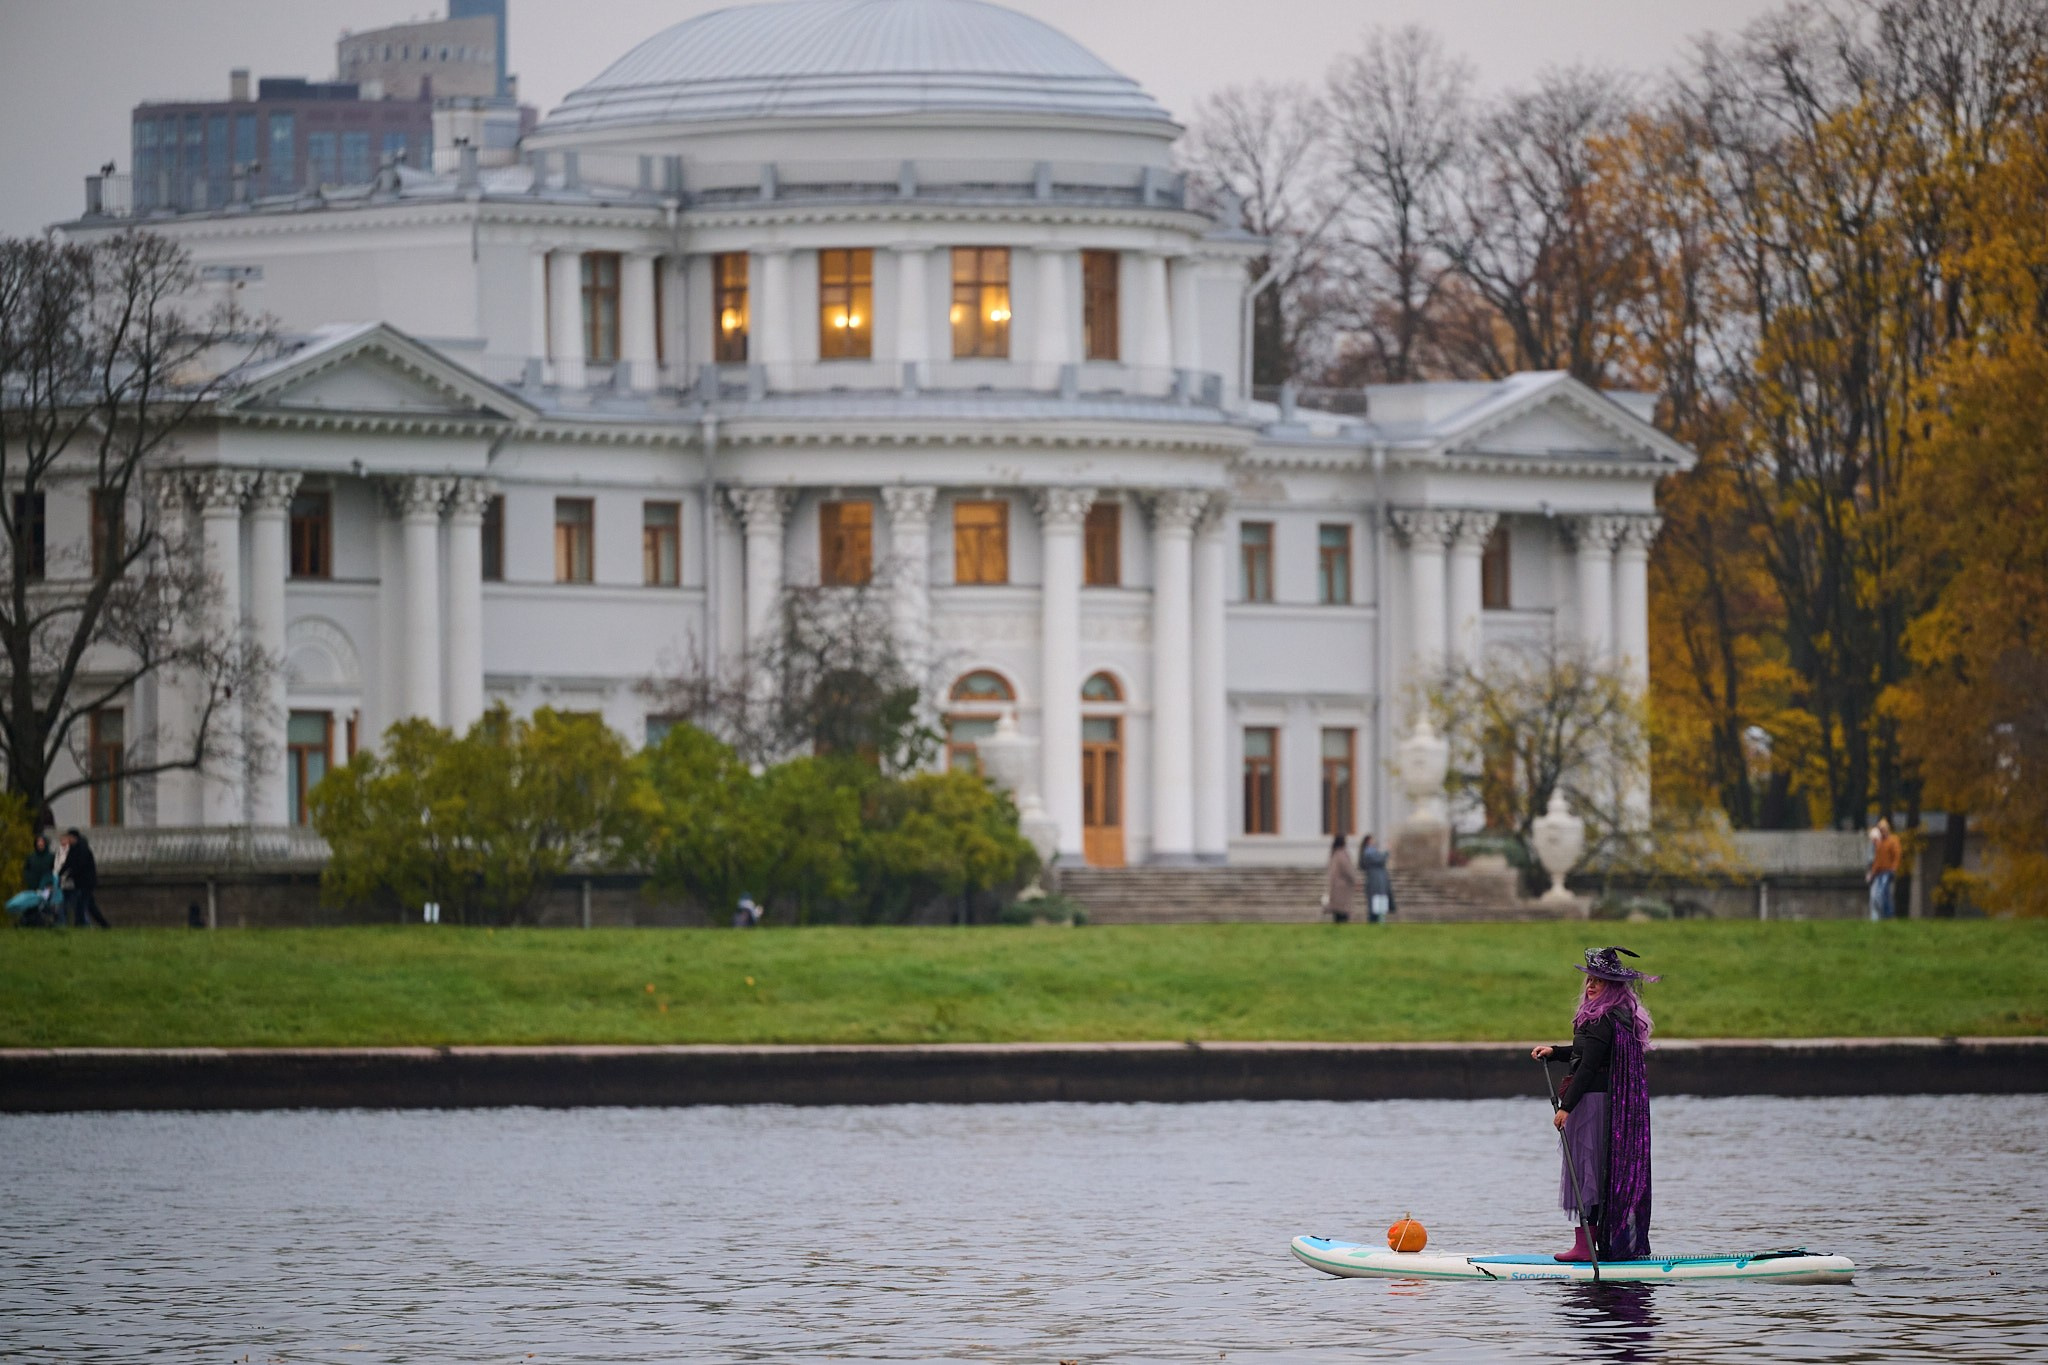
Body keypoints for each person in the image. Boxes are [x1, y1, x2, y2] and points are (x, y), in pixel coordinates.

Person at [1529, 946, 1658, 1263]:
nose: (1590, 985)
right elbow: (1588, 1052)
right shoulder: (1617, 1016)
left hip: (1592, 1104)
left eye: (1598, 980)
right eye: (1589, 979)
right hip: (1609, 1103)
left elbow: (1587, 1067)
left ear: (1612, 986)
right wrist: (1556, 1051)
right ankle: (1601, 1242)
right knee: (1599, 1170)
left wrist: (1566, 1107)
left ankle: (1585, 1246)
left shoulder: (1602, 1019)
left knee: (1586, 1169)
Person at [59, 829, 108, 929]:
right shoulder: (73, 849)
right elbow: (68, 864)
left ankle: (79, 924)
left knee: (81, 904)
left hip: (86, 882)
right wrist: (60, 873)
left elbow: (79, 866)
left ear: (74, 838)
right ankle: (104, 924)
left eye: (69, 838)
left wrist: (69, 874)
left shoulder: (82, 849)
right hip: (80, 882)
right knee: (90, 905)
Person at [1357, 833, 1395, 924]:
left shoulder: (1370, 852)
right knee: (1377, 902)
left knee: (1378, 902)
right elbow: (1381, 859)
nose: (1374, 841)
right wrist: (1387, 851)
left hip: (1377, 880)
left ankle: (1378, 919)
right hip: (1376, 881)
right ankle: (1376, 920)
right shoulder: (1369, 852)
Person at [1868, 820, 1901, 920]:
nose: (1882, 832)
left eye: (1883, 829)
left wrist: (1894, 867)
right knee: (1880, 894)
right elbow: (1877, 860)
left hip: (1888, 871)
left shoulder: (1893, 840)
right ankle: (1883, 915)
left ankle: (1889, 914)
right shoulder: (1879, 843)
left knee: (1883, 892)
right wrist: (1873, 873)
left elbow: (1897, 855)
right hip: (1879, 872)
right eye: (1880, 830)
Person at [1323, 834, 1360, 923]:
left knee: (1337, 913)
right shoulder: (1342, 854)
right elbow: (1348, 870)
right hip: (1342, 888)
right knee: (1343, 912)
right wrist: (1355, 880)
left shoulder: (1334, 854)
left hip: (1335, 887)